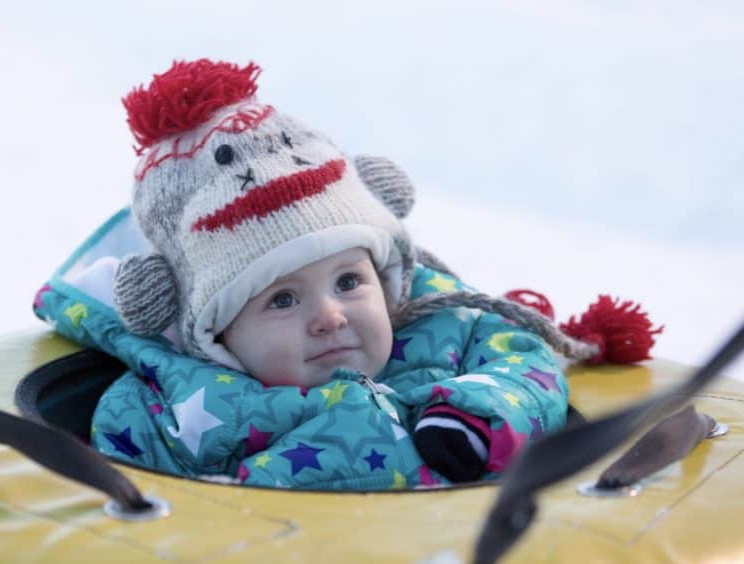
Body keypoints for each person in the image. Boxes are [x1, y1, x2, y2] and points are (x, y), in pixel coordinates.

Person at [33, 59, 657, 490]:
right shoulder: (179, 408)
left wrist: (476, 417)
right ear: (216, 334)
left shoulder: (445, 334)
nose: (329, 315)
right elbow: (117, 500)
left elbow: (529, 363)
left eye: (349, 282)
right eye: (281, 299)